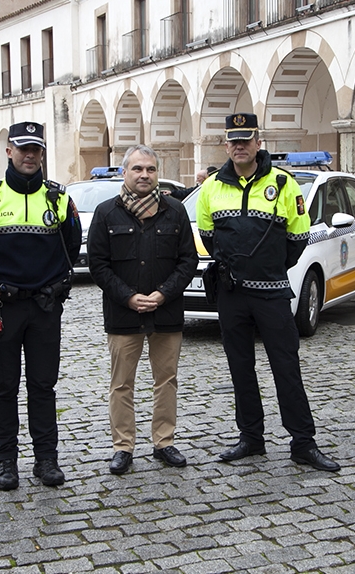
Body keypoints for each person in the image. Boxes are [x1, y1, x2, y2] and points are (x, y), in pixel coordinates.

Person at [195, 113, 340, 473]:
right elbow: (209, 236)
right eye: (233, 141)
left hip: (273, 292)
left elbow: (297, 237)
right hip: (232, 293)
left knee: (286, 368)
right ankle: (251, 438)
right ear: (226, 145)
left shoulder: (284, 183)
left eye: (246, 140)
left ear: (259, 142)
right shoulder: (212, 186)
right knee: (240, 369)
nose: (240, 146)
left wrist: (267, 269)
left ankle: (303, 442)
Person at [0, 121, 81, 491]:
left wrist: (51, 286)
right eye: (22, 148)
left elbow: (71, 250)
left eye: (36, 149)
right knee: (5, 386)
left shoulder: (59, 199)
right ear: (8, 151)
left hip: (44, 307)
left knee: (44, 386)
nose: (30, 155)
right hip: (3, 307)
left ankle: (46, 460)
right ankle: (6, 461)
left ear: (42, 153)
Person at [87, 144, 199, 475]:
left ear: (157, 173)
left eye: (150, 169)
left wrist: (164, 294)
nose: (144, 175)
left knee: (167, 380)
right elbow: (98, 264)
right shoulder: (106, 213)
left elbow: (187, 260)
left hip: (167, 312)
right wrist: (128, 297)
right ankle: (123, 446)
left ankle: (164, 441)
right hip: (123, 314)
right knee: (122, 383)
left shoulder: (175, 211)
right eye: (137, 169)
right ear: (125, 173)